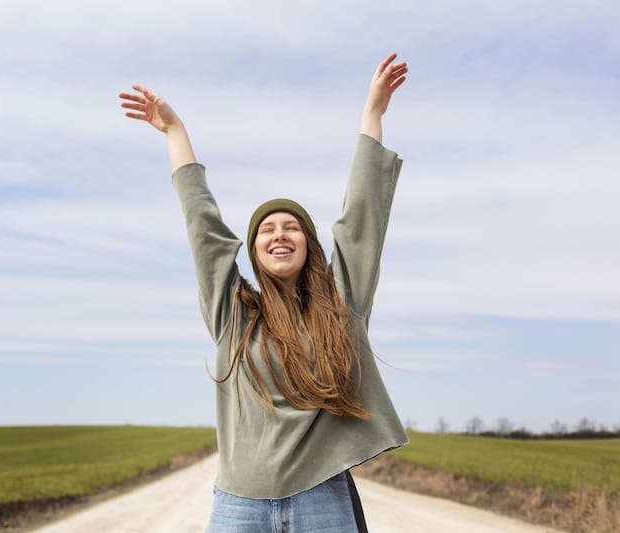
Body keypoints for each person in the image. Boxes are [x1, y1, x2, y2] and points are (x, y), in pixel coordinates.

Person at [119, 53, 409, 533]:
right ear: (253, 251)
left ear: (308, 244)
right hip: (239, 503)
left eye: (292, 227)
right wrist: (176, 134)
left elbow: (362, 219)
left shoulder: (342, 305)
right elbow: (203, 228)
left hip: (322, 496)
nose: (279, 234)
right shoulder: (232, 312)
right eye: (267, 229)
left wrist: (373, 115)